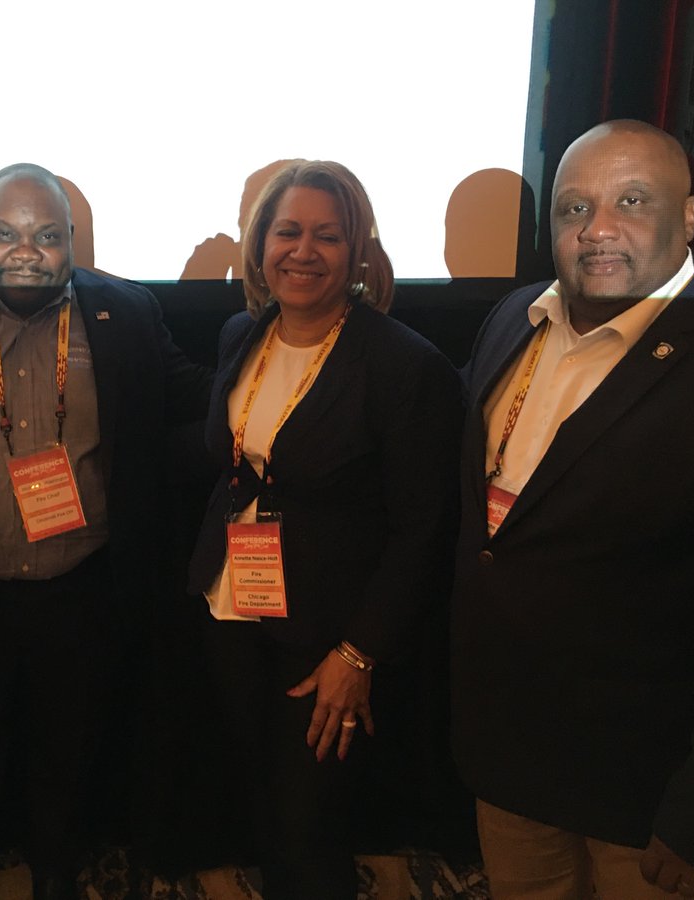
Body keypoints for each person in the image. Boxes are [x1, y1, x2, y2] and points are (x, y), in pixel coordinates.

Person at [451, 119, 694, 899]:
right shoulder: (514, 319)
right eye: (574, 209)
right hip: (513, 759)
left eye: (632, 201)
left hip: (649, 797)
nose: (599, 229)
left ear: (687, 218)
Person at [0, 163, 209, 900]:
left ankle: (56, 871)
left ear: (72, 242)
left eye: (46, 236)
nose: (25, 251)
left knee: (68, 750)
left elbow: (197, 403)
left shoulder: (127, 313)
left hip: (80, 586)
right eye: (5, 233)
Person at [187, 160, 463, 899]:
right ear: (259, 244)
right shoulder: (241, 334)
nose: (302, 252)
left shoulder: (405, 366)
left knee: (309, 826)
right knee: (265, 805)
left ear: (359, 252)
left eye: (327, 236)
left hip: (329, 637)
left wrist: (360, 652)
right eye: (287, 232)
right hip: (234, 610)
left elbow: (422, 530)